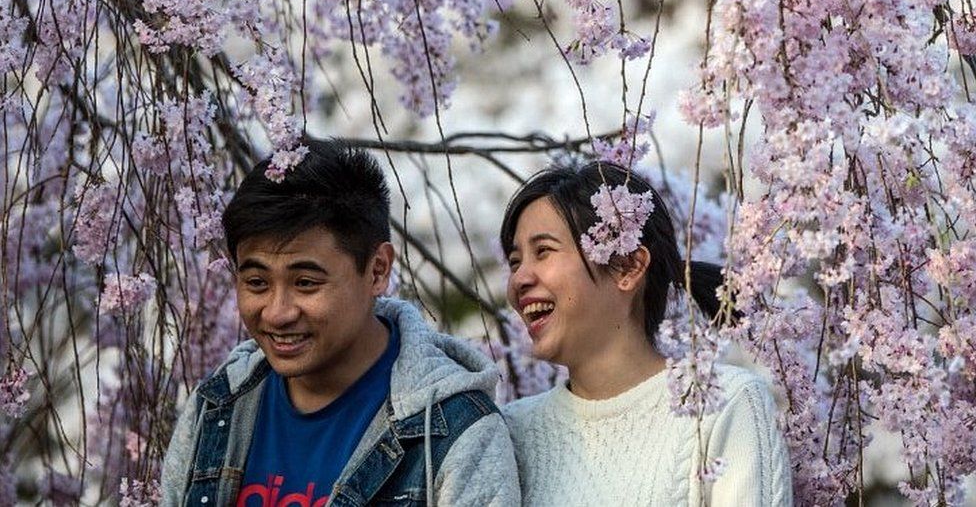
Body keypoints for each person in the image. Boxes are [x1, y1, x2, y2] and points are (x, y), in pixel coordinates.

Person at [161, 141, 519, 506]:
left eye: (305, 283)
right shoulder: (218, 407)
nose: (277, 313)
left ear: (377, 270)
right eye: (257, 283)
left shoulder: (455, 434)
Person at [499, 161, 792, 506]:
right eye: (516, 261)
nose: (519, 280)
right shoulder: (510, 432)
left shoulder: (723, 405)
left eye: (543, 251)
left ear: (628, 266)